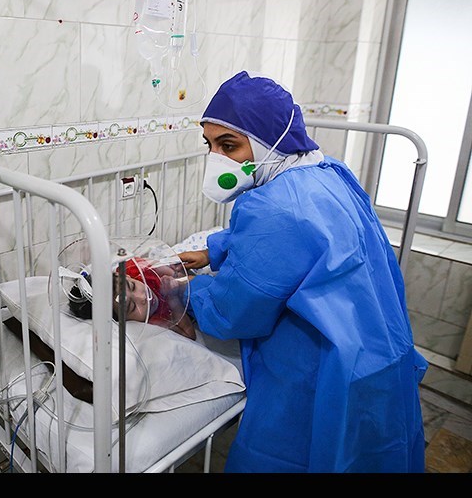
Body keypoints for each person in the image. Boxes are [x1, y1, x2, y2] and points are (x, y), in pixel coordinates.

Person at [177, 70, 428, 473]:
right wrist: (214, 250)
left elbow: (233, 312)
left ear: (268, 141)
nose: (216, 159)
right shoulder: (329, 173)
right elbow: (309, 238)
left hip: (328, 369)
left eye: (229, 145)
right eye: (210, 145)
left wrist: (186, 291)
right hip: (381, 348)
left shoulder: (270, 207)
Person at [65, 258, 197, 341]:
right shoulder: (155, 322)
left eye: (133, 286)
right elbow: (189, 335)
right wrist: (173, 298)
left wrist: (173, 273)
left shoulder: (135, 269)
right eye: (132, 307)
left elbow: (156, 264)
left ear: (125, 275)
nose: (143, 297)